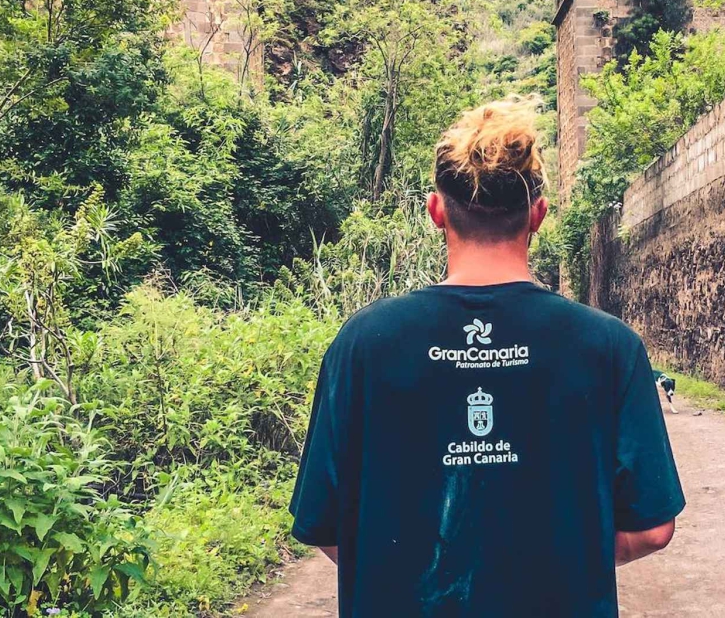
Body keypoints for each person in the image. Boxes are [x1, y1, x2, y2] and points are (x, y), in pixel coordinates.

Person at [289, 98, 684, 617]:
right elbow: (651, 529)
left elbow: (326, 523)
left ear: (435, 211)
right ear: (538, 215)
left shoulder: (363, 343)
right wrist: (558, 559)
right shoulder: (609, 346)